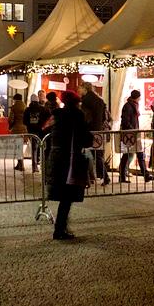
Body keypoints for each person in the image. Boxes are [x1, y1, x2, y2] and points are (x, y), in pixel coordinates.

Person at [46, 91, 93, 240]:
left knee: (64, 196)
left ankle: (60, 227)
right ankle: (60, 229)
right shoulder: (76, 115)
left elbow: (46, 131)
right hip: (70, 159)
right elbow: (86, 139)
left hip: (56, 158)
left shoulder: (57, 115)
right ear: (76, 102)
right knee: (67, 196)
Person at [117, 90, 151, 183]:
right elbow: (126, 121)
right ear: (137, 97)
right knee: (128, 155)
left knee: (136, 154)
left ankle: (145, 175)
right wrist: (132, 130)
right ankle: (124, 175)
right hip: (130, 134)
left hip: (133, 133)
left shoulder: (132, 105)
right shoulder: (129, 106)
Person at [80, 82, 110, 185]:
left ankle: (88, 179)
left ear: (85, 88)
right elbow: (104, 117)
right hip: (99, 130)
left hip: (89, 130)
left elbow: (84, 117)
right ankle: (103, 176)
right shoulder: (99, 100)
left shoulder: (86, 100)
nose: (79, 90)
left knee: (86, 153)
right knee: (97, 155)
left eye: (80, 88)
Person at [22, 93, 50, 172]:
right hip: (41, 131)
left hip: (31, 131)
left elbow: (24, 121)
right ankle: (43, 165)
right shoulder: (43, 109)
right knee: (43, 147)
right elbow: (48, 118)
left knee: (34, 149)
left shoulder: (27, 109)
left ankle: (34, 166)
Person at [9, 93, 27, 170]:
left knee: (17, 148)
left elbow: (11, 119)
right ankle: (19, 164)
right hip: (24, 129)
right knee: (20, 147)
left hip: (16, 128)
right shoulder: (25, 106)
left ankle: (21, 165)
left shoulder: (14, 107)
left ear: (15, 99)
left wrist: (10, 125)